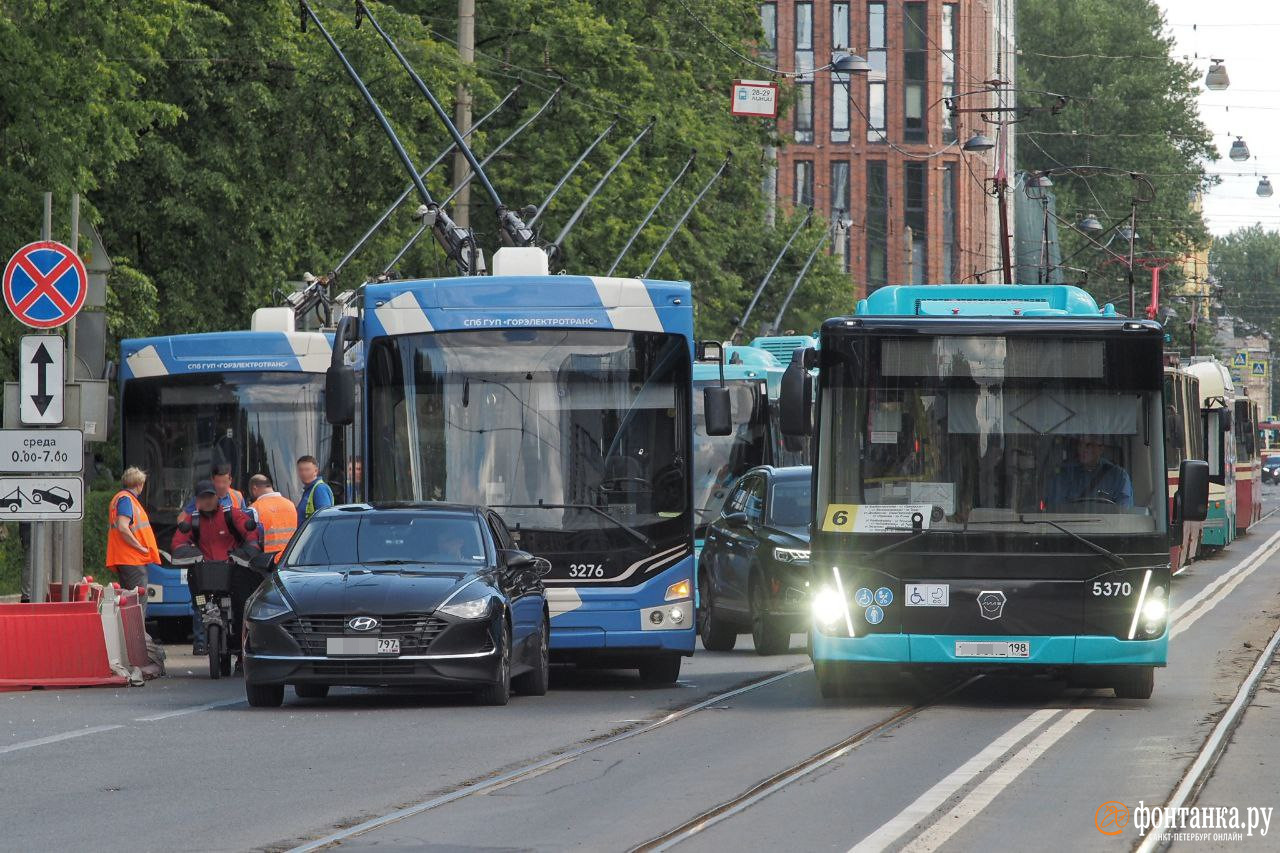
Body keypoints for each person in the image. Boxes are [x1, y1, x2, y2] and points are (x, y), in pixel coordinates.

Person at [172, 480, 260, 670]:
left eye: (211, 496)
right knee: (200, 601)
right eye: (203, 497)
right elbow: (178, 541)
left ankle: (243, 654)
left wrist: (249, 549)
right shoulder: (192, 520)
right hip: (206, 574)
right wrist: (186, 553)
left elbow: (249, 531)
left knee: (242, 609)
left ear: (217, 497)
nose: (208, 501)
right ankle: (204, 630)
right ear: (197, 500)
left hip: (232, 570)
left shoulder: (231, 514)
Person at [106, 467, 161, 617]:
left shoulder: (122, 498)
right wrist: (140, 547)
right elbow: (123, 527)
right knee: (138, 600)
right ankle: (137, 636)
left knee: (130, 600)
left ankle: (131, 636)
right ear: (139, 485)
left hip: (126, 558)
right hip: (132, 558)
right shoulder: (126, 500)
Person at [1045, 436, 1133, 509]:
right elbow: (1055, 509)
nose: (1082, 449)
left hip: (1106, 528)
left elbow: (1123, 513)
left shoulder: (1119, 476)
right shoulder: (1064, 474)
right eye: (1080, 444)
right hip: (1068, 528)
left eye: (1088, 445)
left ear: (1101, 448)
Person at [177, 463, 247, 524]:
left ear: (230, 480)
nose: (221, 486)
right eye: (218, 482)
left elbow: (245, 519)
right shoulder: (202, 497)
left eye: (224, 482)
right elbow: (181, 518)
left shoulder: (237, 496)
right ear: (212, 480)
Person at [249, 473, 298, 559]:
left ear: (254, 488)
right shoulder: (290, 504)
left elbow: (251, 538)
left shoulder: (254, 508)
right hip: (290, 558)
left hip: (268, 560)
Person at [296, 455, 334, 525]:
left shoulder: (319, 489)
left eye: (307, 470)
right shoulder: (308, 489)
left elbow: (325, 518)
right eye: (301, 470)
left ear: (316, 471)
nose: (303, 473)